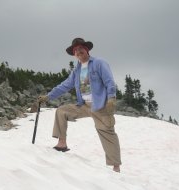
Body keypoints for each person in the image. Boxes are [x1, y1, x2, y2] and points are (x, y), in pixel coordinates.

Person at [37, 38, 121, 172]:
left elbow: (109, 81)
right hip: (84, 105)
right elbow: (64, 85)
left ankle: (116, 167)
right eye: (75, 50)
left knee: (107, 132)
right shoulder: (76, 71)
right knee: (62, 111)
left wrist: (111, 98)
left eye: (80, 48)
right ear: (73, 54)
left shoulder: (99, 63)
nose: (78, 51)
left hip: (101, 105)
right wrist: (48, 96)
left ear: (86, 50)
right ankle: (62, 143)